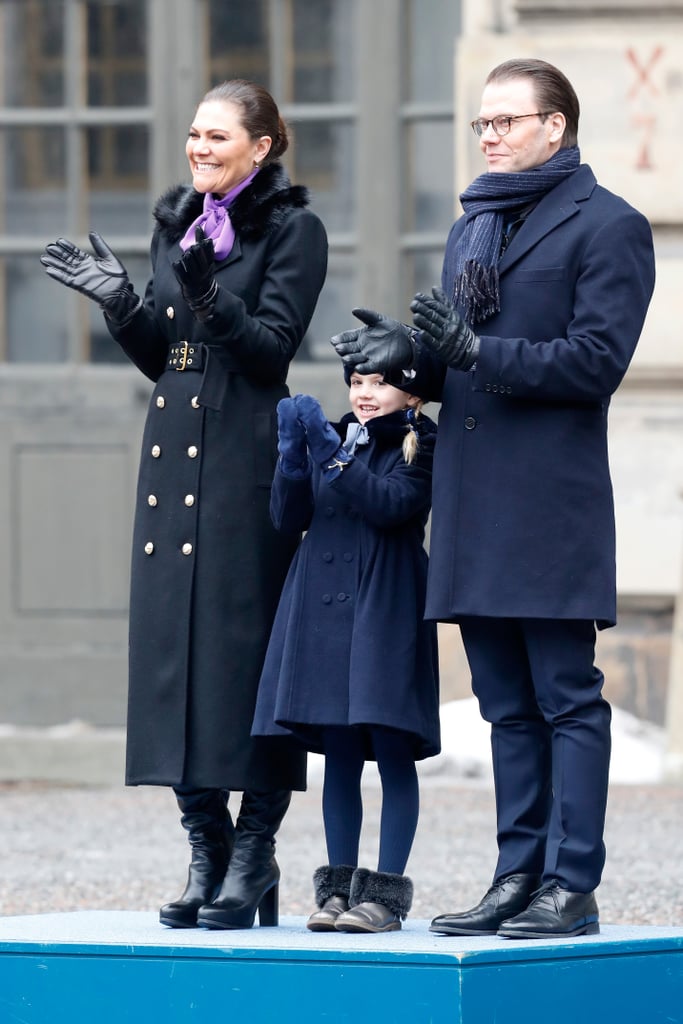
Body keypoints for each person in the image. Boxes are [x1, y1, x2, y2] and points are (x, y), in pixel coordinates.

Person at [331, 57, 655, 939]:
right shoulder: (473, 225)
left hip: (548, 504)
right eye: (481, 123)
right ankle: (517, 875)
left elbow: (596, 363)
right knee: (503, 704)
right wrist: (403, 359)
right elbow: (455, 360)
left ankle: (571, 884)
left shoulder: (610, 226)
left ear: (556, 126)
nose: (490, 136)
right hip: (473, 501)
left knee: (565, 696)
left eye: (506, 121)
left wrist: (472, 352)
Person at [40, 79, 328, 930]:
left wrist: (209, 297)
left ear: (261, 147)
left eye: (217, 136)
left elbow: (269, 351)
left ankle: (253, 856)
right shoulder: (179, 224)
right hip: (170, 470)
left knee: (243, 662)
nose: (199, 147)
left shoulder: (292, 229)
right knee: (172, 660)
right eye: (194, 135)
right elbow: (170, 358)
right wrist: (124, 305)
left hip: (244, 466)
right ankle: (204, 847)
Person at [251, 356, 441, 934]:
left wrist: (329, 454)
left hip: (384, 604)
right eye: (356, 382)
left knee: (389, 747)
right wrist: (290, 457)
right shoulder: (336, 439)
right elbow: (289, 519)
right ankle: (338, 889)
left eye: (378, 382)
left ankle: (384, 895)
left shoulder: (422, 443)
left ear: (410, 394)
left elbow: (389, 505)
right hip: (324, 605)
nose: (363, 393)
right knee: (338, 751)